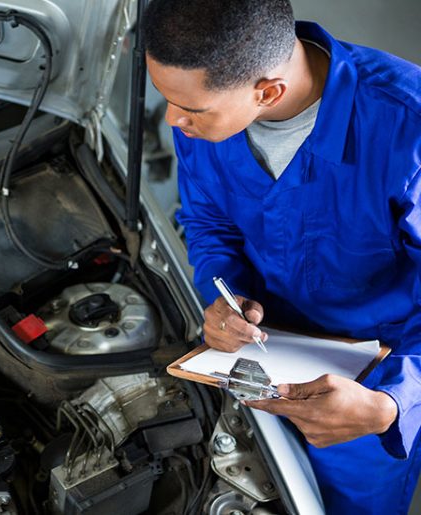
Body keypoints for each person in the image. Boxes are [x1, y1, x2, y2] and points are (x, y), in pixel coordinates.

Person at [142, 0, 421, 513]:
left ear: (267, 91)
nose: (172, 119)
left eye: (191, 109)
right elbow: (208, 223)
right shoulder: (204, 113)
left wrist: (395, 404)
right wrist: (224, 296)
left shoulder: (409, 130)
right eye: (165, 97)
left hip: (368, 392)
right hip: (254, 365)